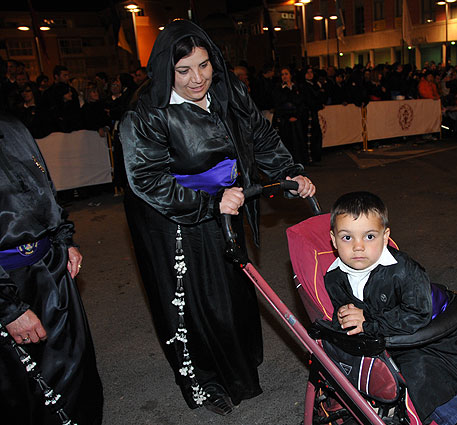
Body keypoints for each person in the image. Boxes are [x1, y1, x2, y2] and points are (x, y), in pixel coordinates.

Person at [119, 19, 316, 416]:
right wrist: (208, 204)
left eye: (204, 65)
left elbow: (259, 136)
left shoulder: (229, 93)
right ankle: (205, 380)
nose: (198, 79)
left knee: (231, 289)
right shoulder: (147, 114)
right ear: (165, 70)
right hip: (177, 221)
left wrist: (288, 171)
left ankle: (239, 362)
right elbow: (146, 179)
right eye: (184, 70)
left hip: (227, 207)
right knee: (194, 302)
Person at [325, 192, 457, 425]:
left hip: (444, 331)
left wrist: (368, 321)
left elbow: (417, 314)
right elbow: (346, 315)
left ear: (385, 236)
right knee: (420, 378)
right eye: (347, 238)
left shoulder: (403, 270)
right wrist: (342, 318)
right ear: (334, 239)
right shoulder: (334, 277)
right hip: (405, 346)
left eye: (369, 236)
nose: (358, 247)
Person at [0, 111, 103, 425]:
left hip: (49, 267)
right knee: (21, 389)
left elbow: (43, 187)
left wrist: (63, 238)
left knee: (73, 368)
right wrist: (8, 309)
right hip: (7, 281)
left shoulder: (12, 125)